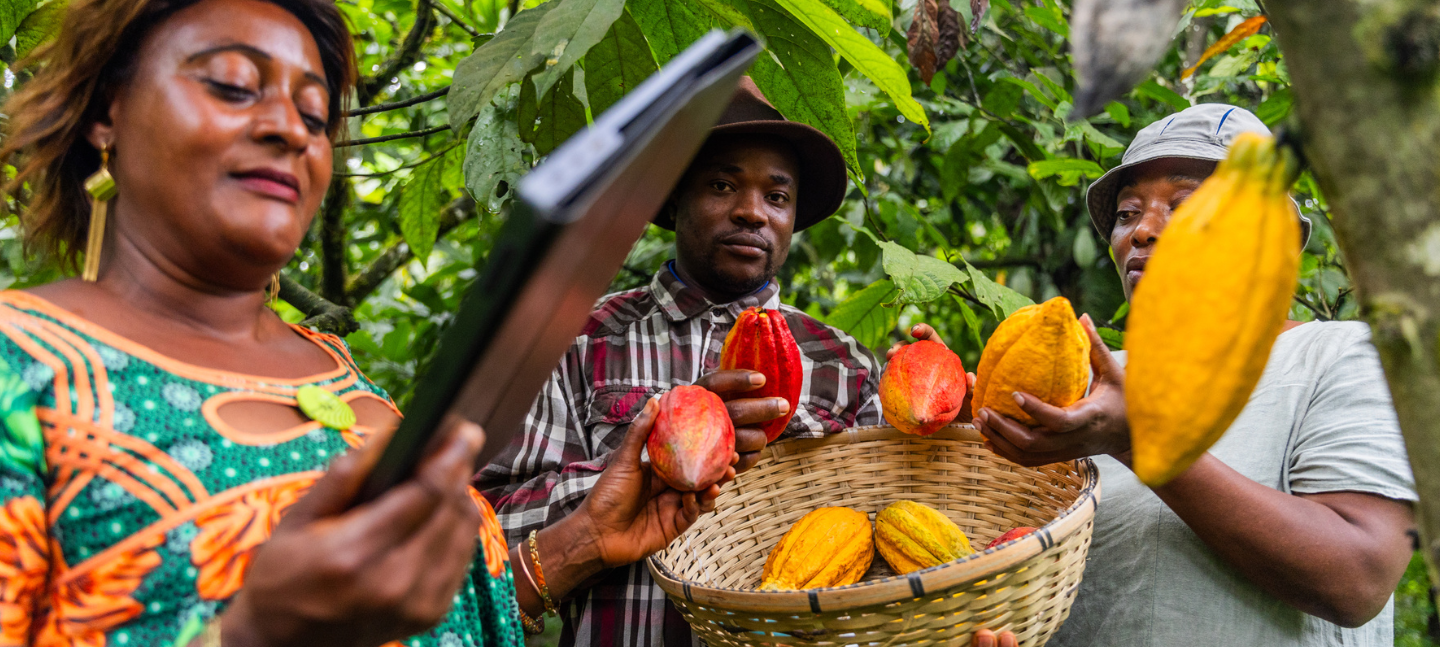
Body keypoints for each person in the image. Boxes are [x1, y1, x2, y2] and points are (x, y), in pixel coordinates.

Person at [0, 0, 729, 644]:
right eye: (231, 85)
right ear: (107, 112)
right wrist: (254, 635)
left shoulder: (337, 371)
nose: (289, 129)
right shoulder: (19, 362)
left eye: (315, 116)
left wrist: (586, 542)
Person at [904, 104, 1416, 645]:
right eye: (1128, 214)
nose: (1143, 231)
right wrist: (954, 408)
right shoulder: (1089, 383)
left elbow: (1358, 578)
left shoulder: (1342, 357)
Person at [476, 78, 885, 645]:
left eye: (777, 196)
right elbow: (488, 525)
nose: (751, 213)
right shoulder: (580, 338)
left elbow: (888, 536)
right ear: (674, 199)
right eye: (722, 185)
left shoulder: (847, 367)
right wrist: (651, 460)